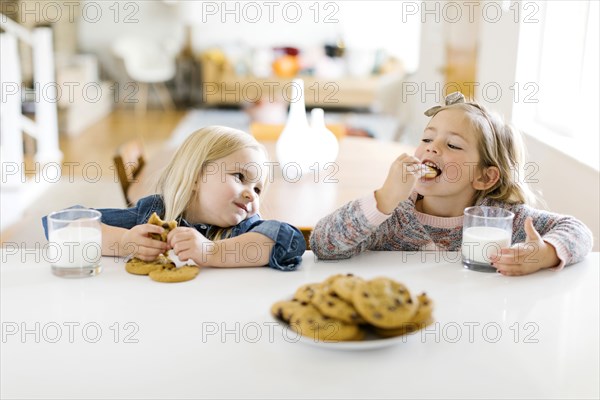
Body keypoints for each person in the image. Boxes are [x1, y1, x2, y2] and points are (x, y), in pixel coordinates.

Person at [310, 92, 593, 276]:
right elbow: (322, 244)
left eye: (453, 145)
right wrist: (383, 199)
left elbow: (577, 231)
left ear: (484, 176)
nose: (431, 149)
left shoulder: (502, 220)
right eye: (426, 139)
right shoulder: (392, 216)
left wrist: (544, 253)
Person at [43, 126, 306, 271]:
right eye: (239, 177)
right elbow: (64, 225)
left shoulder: (245, 230)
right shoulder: (152, 217)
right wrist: (124, 242)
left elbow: (289, 242)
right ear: (194, 176)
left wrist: (211, 251)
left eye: (258, 189)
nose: (251, 193)